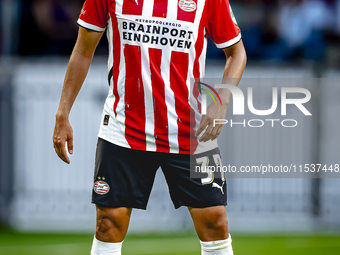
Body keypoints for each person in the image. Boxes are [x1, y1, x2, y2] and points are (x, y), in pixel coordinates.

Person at [53, 0, 246, 254]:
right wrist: (63, 112)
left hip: (188, 131)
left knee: (215, 221)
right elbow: (83, 50)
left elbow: (237, 52)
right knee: (108, 224)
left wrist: (220, 102)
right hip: (124, 129)